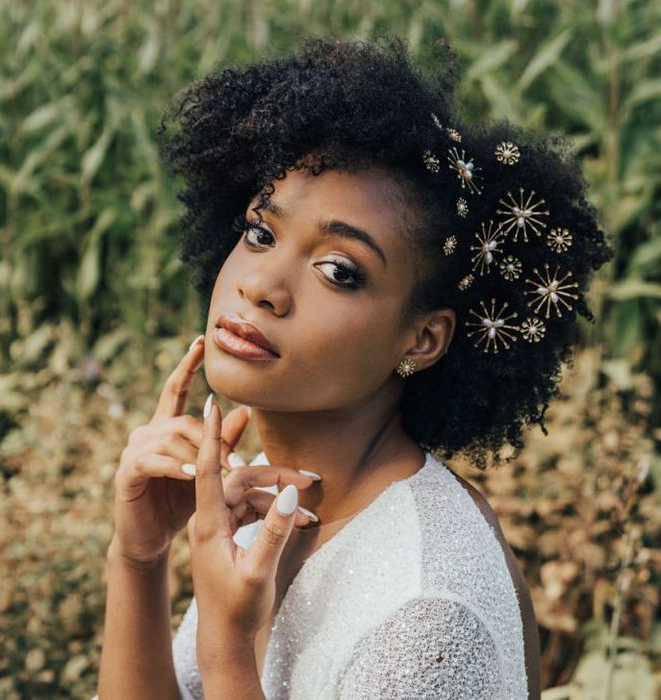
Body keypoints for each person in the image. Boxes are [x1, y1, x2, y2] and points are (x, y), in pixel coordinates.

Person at [94, 36, 613, 699]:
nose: (263, 286)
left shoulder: (427, 614)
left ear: (423, 339)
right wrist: (138, 560)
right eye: (261, 233)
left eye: (339, 271)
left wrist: (227, 653)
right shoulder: (276, 501)